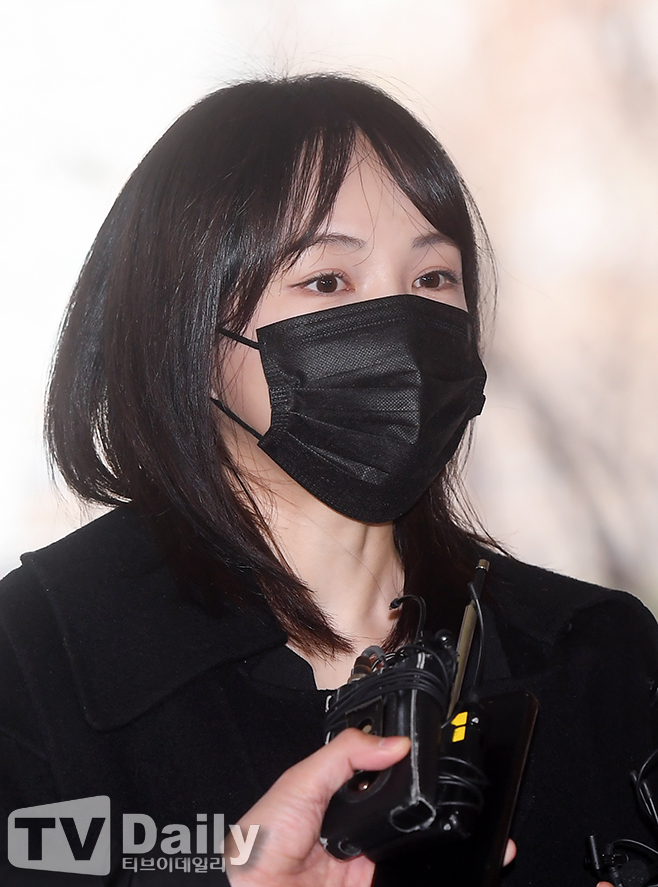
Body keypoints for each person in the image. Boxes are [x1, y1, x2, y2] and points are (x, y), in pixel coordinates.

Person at [0, 74, 656, 887]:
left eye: (433, 279)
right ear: (186, 332)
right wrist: (228, 874)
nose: (403, 327)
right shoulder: (38, 659)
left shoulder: (598, 655)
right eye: (328, 280)